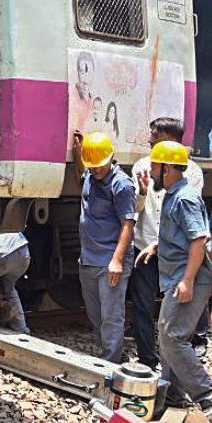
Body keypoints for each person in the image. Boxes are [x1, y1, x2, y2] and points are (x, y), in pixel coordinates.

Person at [129, 118, 206, 370]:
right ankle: (148, 361)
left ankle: (180, 360)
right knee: (142, 305)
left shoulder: (192, 172)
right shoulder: (142, 166)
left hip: (175, 254)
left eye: (156, 135)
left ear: (172, 140)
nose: (150, 139)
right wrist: (141, 193)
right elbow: (135, 210)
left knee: (177, 312)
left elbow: (189, 223)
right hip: (146, 246)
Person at [146, 140, 212, 417]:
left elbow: (199, 240)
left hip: (189, 279)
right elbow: (182, 238)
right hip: (179, 276)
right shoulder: (174, 194)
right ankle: (172, 395)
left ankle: (208, 398)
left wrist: (187, 280)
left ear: (168, 169)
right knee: (167, 334)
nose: (150, 171)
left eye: (154, 166)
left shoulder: (184, 198)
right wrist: (157, 246)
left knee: (172, 337)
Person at [73, 131, 137, 363]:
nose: (96, 170)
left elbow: (127, 224)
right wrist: (77, 153)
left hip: (110, 259)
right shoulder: (91, 175)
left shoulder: (122, 185)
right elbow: (80, 176)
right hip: (89, 258)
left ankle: (111, 364)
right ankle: (108, 356)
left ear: (111, 157)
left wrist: (117, 261)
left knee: (111, 316)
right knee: (95, 314)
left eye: (100, 166)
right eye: (92, 166)